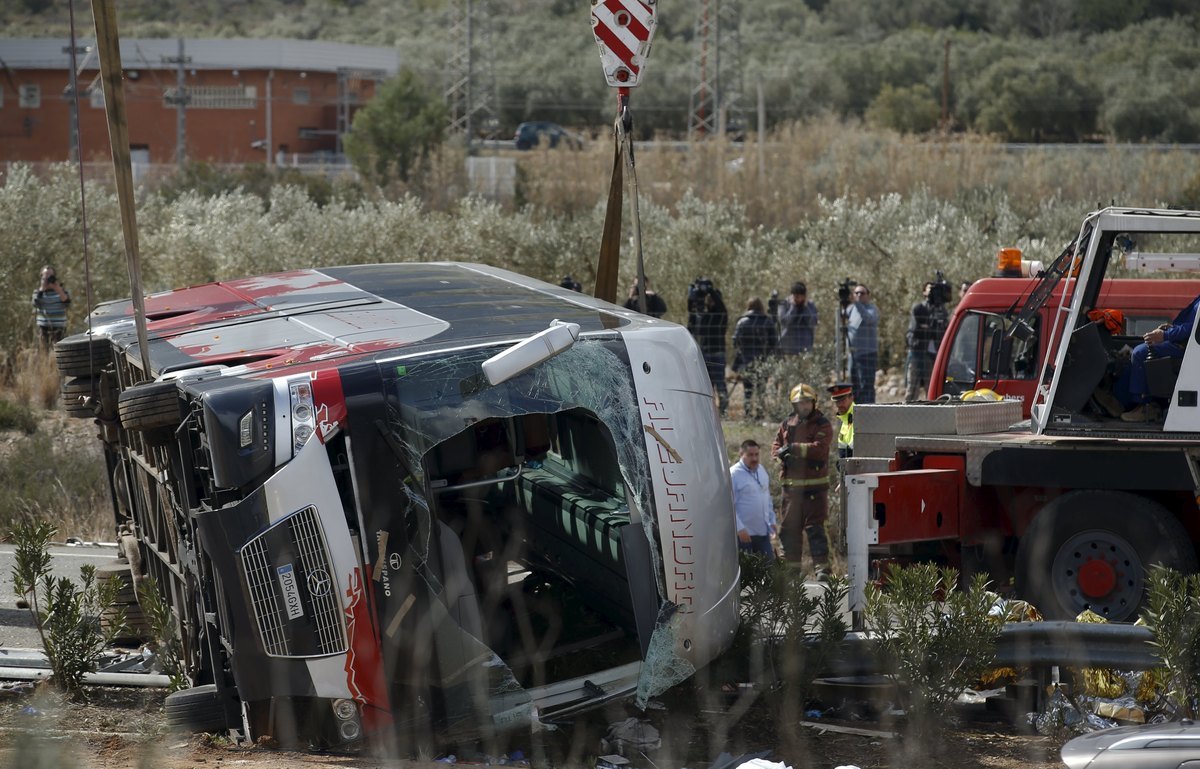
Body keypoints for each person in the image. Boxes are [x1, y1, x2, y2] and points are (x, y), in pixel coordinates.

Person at [770, 383, 833, 571]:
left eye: (807, 402)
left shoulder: (822, 424)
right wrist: (781, 454)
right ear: (794, 406)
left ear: (814, 403)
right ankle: (791, 570)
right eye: (800, 403)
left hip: (815, 490)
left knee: (816, 529)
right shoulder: (786, 424)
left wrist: (793, 448)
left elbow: (819, 449)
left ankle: (822, 570)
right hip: (791, 491)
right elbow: (775, 447)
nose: (804, 406)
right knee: (789, 530)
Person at [1121, 294, 1200, 421]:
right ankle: (1123, 403)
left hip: (1189, 348)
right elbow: (1190, 323)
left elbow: (1193, 328)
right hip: (1184, 343)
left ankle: (1144, 406)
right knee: (1134, 351)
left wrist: (1166, 335)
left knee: (1140, 353)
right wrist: (1172, 328)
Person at [687, 277, 729, 415]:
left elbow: (720, 305)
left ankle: (723, 409)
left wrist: (710, 290)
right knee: (706, 384)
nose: (709, 300)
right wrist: (693, 297)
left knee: (720, 383)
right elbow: (691, 315)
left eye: (711, 298)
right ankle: (708, 410)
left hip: (717, 353)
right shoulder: (703, 316)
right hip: (704, 353)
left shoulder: (721, 314)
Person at [731, 297, 778, 419]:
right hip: (762, 360)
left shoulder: (742, 322)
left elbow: (735, 341)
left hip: (746, 360)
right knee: (761, 388)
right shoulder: (767, 321)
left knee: (747, 389)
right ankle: (760, 413)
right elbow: (774, 342)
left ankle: (747, 414)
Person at [730, 439, 776, 559]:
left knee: (768, 571)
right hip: (744, 535)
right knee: (748, 573)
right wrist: (739, 528)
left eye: (756, 454)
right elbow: (729, 505)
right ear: (742, 454)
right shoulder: (734, 474)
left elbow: (767, 498)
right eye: (750, 455)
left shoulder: (761, 470)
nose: (754, 458)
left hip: (763, 533)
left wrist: (772, 520)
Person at [904, 282, 949, 402]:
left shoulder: (942, 311)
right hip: (918, 354)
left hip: (935, 355)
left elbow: (944, 331)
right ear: (924, 292)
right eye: (930, 289)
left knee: (932, 390)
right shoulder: (919, 308)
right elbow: (913, 331)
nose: (932, 293)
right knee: (912, 390)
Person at [846, 284, 879, 404]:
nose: (859, 295)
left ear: (868, 295)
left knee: (867, 386)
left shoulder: (872, 309)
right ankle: (857, 414)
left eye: (862, 293)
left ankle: (869, 414)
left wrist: (857, 304)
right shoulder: (851, 309)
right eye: (856, 293)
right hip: (853, 355)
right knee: (854, 386)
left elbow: (869, 319)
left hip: (867, 354)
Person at [32, 265, 70, 349]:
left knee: (60, 351)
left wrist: (58, 289)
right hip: (43, 327)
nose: (48, 278)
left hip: (59, 327)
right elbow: (35, 303)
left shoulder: (61, 290)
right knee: (44, 351)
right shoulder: (38, 292)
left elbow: (67, 303)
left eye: (50, 275)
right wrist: (42, 289)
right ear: (41, 277)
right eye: (45, 276)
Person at [777, 281, 818, 354]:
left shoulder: (810, 305)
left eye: (800, 297)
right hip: (787, 348)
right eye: (796, 297)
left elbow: (813, 322)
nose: (798, 300)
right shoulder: (784, 304)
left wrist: (806, 308)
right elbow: (784, 322)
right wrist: (793, 308)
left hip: (805, 349)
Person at [827, 382, 855, 459]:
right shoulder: (845, 420)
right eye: (837, 401)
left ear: (851, 398)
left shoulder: (858, 417)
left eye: (842, 400)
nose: (839, 405)